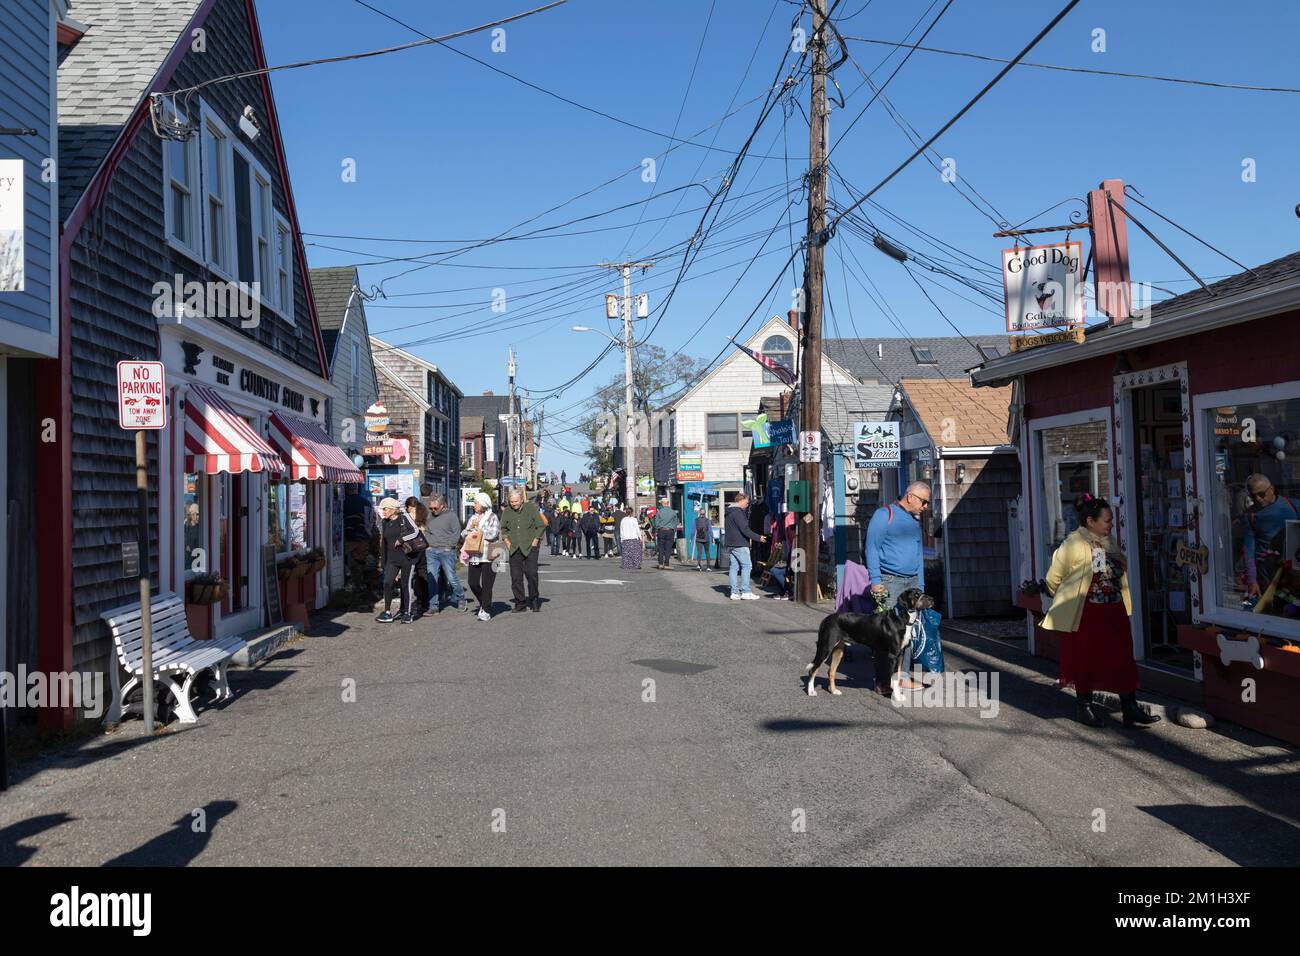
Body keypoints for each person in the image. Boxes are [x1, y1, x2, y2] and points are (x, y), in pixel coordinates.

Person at [1042, 494, 1160, 728]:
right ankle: (1084, 707)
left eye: (1110, 520)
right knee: (1086, 657)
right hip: (1088, 613)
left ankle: (1130, 706)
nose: (1110, 524)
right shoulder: (1073, 543)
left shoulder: (1109, 542)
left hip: (1114, 609)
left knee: (1123, 656)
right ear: (1090, 521)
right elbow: (1052, 579)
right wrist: (1069, 599)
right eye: (1107, 520)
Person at [1242, 473, 1298, 599]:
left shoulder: (1294, 506)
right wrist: (1252, 580)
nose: (1257, 499)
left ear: (1271, 489)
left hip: (1294, 570)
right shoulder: (1250, 515)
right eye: (1253, 495)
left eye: (1261, 494)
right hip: (1267, 574)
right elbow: (1248, 549)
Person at [501, 489, 545, 613]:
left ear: (521, 500)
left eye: (515, 501)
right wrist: (507, 542)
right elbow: (503, 529)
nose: (513, 504)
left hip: (530, 546)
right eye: (511, 502)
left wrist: (536, 540)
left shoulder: (530, 508)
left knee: (531, 574)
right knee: (516, 577)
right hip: (514, 548)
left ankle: (534, 599)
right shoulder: (507, 512)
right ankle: (520, 603)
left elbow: (540, 525)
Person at [378, 497, 422, 624]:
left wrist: (402, 539)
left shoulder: (404, 517)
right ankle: (387, 612)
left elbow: (415, 531)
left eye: (385, 509)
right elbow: (384, 543)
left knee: (405, 585)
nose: (383, 511)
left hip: (407, 557)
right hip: (392, 559)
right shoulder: (385, 522)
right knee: (387, 582)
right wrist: (383, 562)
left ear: (392, 509)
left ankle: (407, 613)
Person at [461, 492, 500, 621]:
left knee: (487, 585)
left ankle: (486, 610)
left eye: (476, 503)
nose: (474, 505)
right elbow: (464, 533)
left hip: (490, 554)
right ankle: (485, 602)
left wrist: (479, 529)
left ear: (483, 504)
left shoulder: (492, 517)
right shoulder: (473, 518)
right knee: (472, 582)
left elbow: (493, 534)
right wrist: (470, 529)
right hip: (475, 554)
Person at [425, 494, 467, 612]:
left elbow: (456, 532)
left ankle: (460, 597)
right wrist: (428, 545)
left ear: (442, 506)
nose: (433, 510)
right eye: (431, 508)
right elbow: (427, 531)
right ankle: (433, 605)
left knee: (451, 577)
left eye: (435, 508)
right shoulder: (429, 516)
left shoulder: (451, 516)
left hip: (446, 551)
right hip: (432, 551)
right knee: (432, 578)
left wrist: (450, 546)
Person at [724, 493, 767, 599]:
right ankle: (746, 591)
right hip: (740, 543)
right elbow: (745, 529)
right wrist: (758, 537)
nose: (747, 505)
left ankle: (734, 592)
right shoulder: (738, 512)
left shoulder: (729, 512)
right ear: (741, 501)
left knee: (734, 567)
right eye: (747, 502)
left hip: (730, 543)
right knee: (747, 566)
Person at [403, 496, 431, 617]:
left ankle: (415, 602)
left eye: (408, 507)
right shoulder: (423, 515)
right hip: (422, 548)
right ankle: (424, 602)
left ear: (410, 507)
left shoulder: (408, 517)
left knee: (413, 577)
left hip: (412, 549)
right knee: (421, 575)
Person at [652, 495, 680, 570]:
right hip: (670, 531)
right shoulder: (673, 512)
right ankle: (666, 563)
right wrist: (673, 529)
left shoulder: (659, 512)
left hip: (661, 531)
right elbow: (676, 522)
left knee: (661, 548)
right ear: (667, 503)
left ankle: (661, 563)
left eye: (661, 503)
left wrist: (657, 529)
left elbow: (656, 523)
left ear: (663, 504)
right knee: (668, 548)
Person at [692, 507, 712, 571]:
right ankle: (708, 567)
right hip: (706, 539)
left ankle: (699, 566)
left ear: (699, 512)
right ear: (705, 513)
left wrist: (691, 538)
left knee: (699, 552)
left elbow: (693, 530)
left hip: (698, 539)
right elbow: (710, 530)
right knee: (707, 552)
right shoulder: (707, 520)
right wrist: (713, 538)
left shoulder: (696, 520)